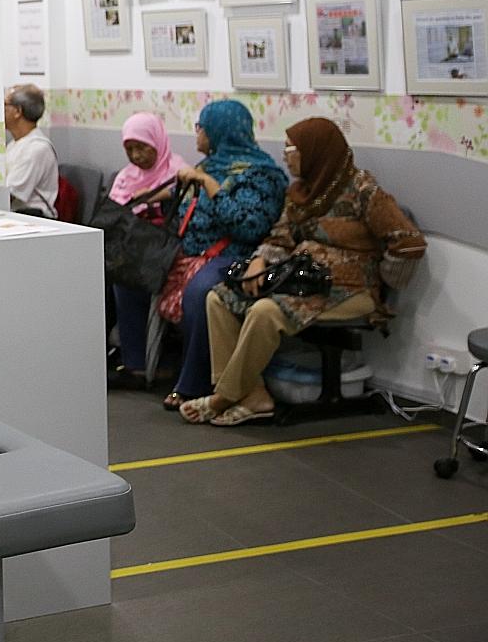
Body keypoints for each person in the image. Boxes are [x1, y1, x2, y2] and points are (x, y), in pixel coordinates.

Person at [183, 118, 427, 425]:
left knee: (265, 312)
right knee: (218, 298)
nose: (285, 155)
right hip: (302, 280)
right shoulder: (301, 192)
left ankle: (224, 396)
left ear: (315, 151)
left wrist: (384, 279)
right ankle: (254, 394)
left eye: (291, 149)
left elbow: (409, 243)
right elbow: (280, 237)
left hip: (352, 290)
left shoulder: (364, 191)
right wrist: (259, 262)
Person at [158, 100, 286, 411]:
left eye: (201, 127)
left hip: (234, 255)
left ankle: (193, 383)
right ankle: (135, 364)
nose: (197, 133)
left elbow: (249, 227)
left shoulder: (263, 175)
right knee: (132, 272)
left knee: (200, 290)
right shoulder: (207, 166)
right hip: (190, 251)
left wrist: (213, 187)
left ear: (218, 131)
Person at [106, 112, 187, 388]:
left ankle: (137, 363)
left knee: (125, 278)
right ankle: (124, 356)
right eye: (130, 149)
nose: (136, 156)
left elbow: (184, 204)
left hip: (164, 249)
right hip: (134, 247)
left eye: (142, 147)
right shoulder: (126, 177)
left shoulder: (176, 171)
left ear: (158, 142)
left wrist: (156, 197)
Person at [4, 84, 58, 217]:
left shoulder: (36, 149)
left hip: (35, 218)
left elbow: (10, 194)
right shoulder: (15, 144)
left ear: (17, 111)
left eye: (5, 105)